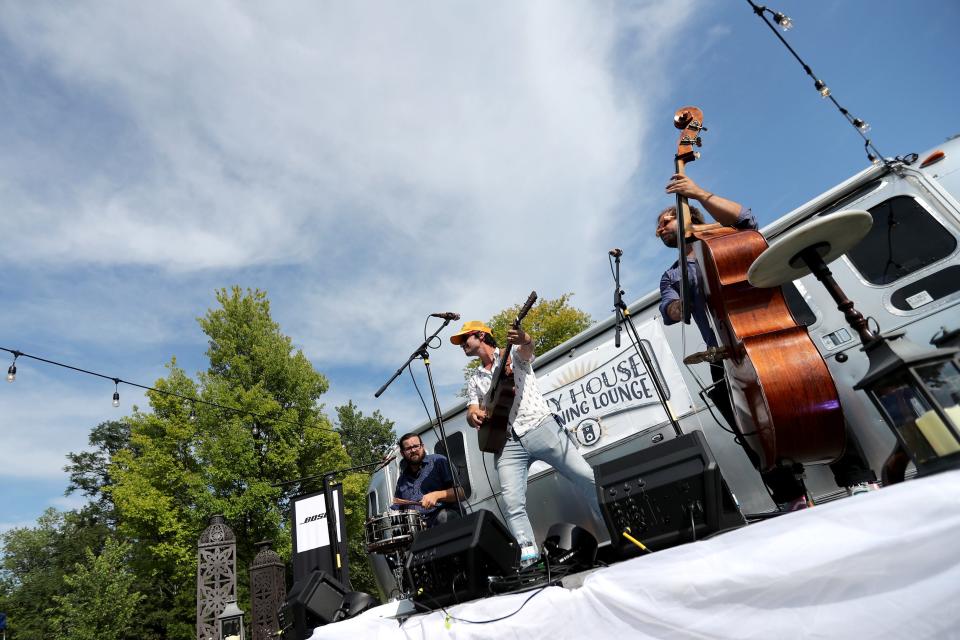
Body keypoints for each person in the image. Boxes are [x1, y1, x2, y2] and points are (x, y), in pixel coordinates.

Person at [655, 173, 810, 510]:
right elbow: (669, 310)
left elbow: (747, 221)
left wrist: (696, 192)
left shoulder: (727, 236)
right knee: (750, 433)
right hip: (722, 355)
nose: (659, 229)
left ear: (688, 215)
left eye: (665, 221)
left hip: (762, 335)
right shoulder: (672, 273)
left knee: (806, 403)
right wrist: (680, 302)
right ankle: (789, 498)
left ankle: (854, 475)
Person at [452, 320, 602, 564]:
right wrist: (474, 416)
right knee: (512, 504)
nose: (461, 346)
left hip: (540, 427)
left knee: (585, 476)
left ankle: (620, 530)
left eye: (464, 339)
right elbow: (471, 410)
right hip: (507, 443)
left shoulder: (512, 356)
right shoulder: (475, 379)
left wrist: (523, 337)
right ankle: (529, 559)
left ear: (480, 335)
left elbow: (528, 346)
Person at [392, 432, 461, 528]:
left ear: (422, 446)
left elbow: (460, 492)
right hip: (419, 531)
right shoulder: (401, 480)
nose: (413, 450)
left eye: (416, 446)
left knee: (444, 516)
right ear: (402, 453)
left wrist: (437, 495)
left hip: (445, 522)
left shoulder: (439, 461)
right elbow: (397, 509)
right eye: (408, 448)